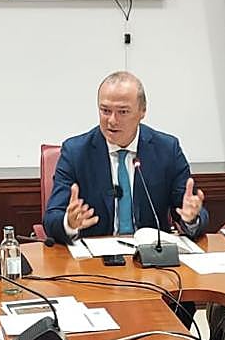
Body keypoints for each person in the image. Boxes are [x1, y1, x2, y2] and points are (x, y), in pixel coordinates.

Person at [43, 71, 207, 243]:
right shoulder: (76, 153)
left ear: (142, 111)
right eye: (105, 110)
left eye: (122, 112)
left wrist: (191, 219)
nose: (112, 120)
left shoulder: (167, 150)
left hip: (152, 257)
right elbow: (52, 217)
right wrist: (69, 224)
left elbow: (191, 209)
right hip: (95, 260)